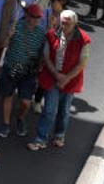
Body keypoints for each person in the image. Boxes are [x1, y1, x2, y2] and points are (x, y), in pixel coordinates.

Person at [28, 10, 91, 151]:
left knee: (64, 111)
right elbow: (46, 56)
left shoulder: (83, 39)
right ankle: (40, 138)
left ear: (74, 23)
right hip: (52, 77)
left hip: (71, 80)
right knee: (49, 110)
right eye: (63, 23)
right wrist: (57, 75)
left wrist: (66, 78)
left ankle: (59, 135)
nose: (65, 26)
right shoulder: (51, 34)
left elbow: (82, 63)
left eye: (68, 23)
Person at [0, 4, 45, 138]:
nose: (35, 20)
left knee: (26, 102)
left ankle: (20, 118)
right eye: (33, 17)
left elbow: (42, 54)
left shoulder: (41, 33)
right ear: (27, 15)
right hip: (11, 67)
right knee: (8, 96)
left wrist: (39, 69)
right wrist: (8, 36)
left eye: (38, 18)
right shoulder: (15, 27)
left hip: (28, 72)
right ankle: (5, 124)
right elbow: (3, 45)